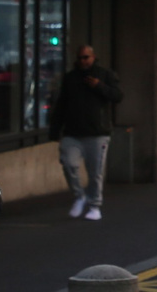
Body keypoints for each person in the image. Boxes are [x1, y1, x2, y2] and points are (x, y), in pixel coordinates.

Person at [51, 45, 122, 221]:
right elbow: (61, 105)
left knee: (95, 172)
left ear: (93, 57)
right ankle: (79, 196)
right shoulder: (71, 78)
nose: (83, 61)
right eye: (80, 58)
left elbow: (118, 96)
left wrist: (99, 86)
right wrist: (55, 131)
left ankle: (94, 205)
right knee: (69, 164)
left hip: (97, 133)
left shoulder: (104, 75)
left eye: (86, 58)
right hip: (72, 132)